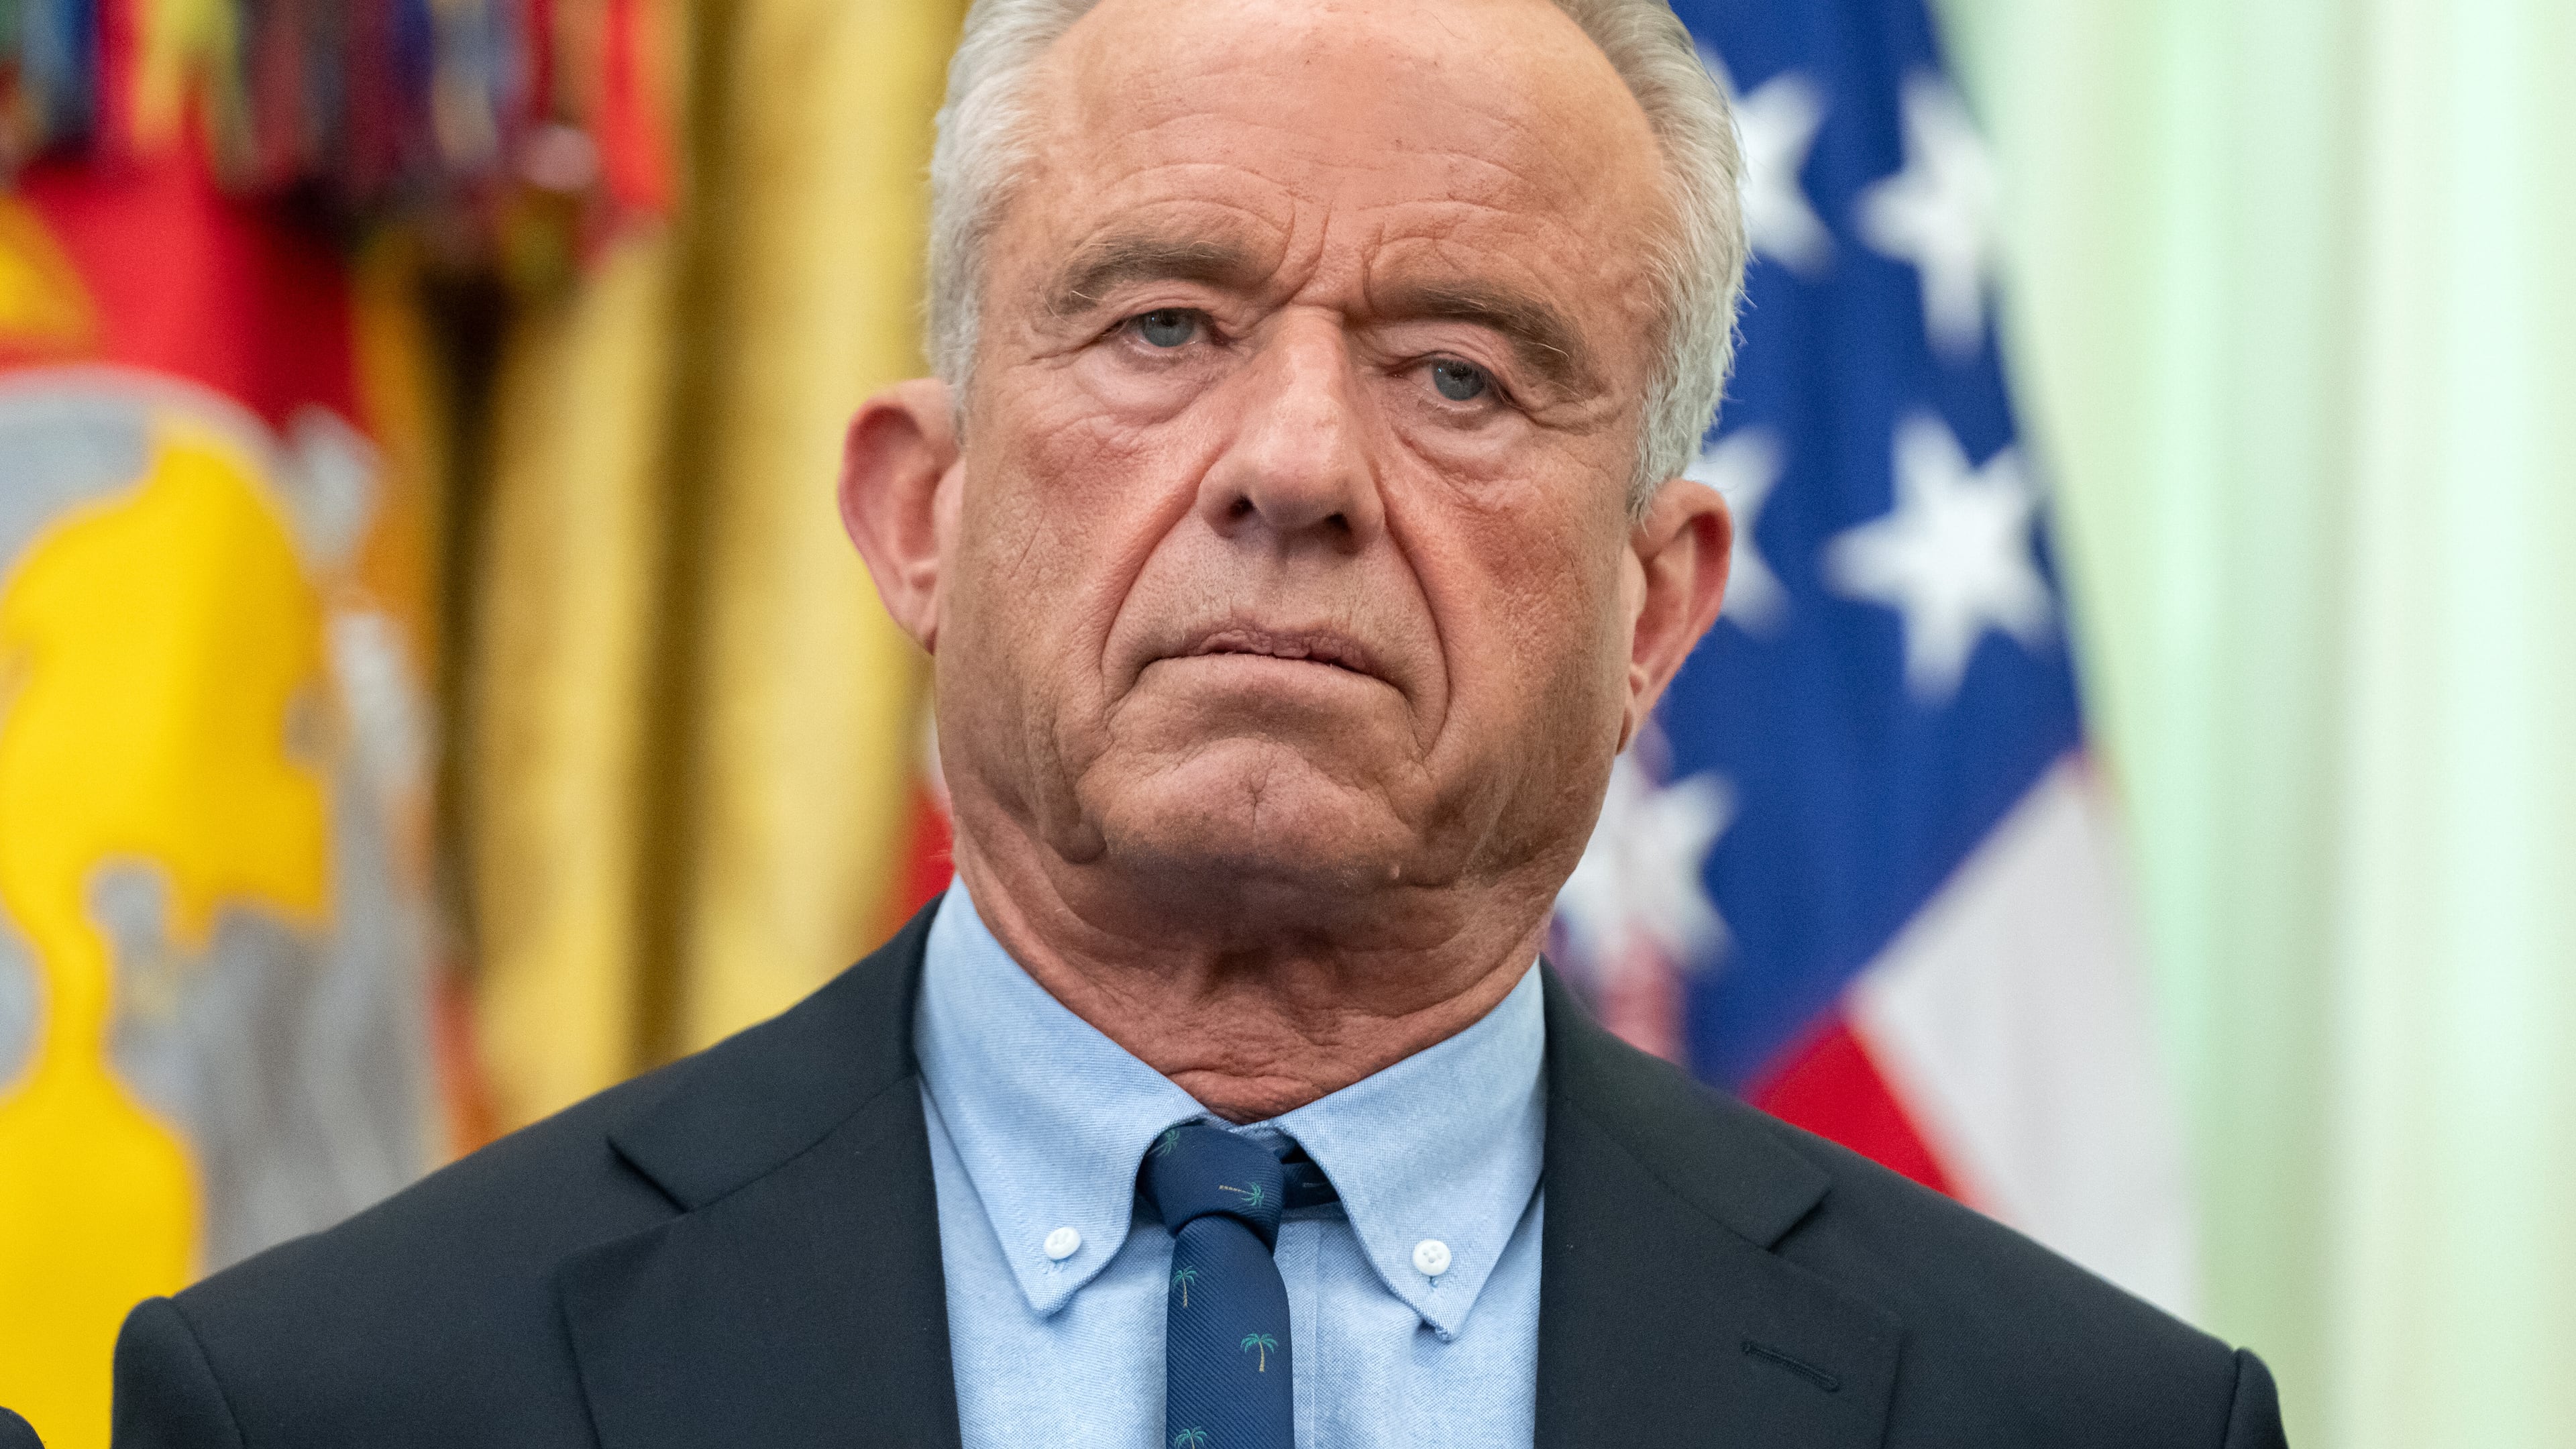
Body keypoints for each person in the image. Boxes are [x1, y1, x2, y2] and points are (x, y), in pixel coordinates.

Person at [113, 0, 2289, 1444]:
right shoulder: (344, 1403)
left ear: (1659, 608)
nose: (1299, 464)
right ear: (919, 515)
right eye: (1164, 325)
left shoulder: (2077, 1426)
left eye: (1460, 371)